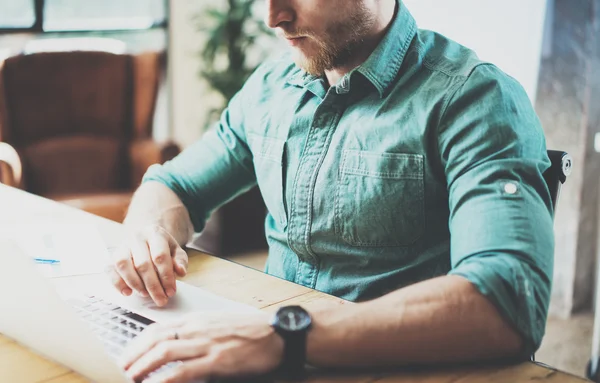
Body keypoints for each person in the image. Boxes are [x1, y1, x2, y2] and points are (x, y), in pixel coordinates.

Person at [109, 0, 554, 381]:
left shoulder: (475, 99)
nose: (273, 16)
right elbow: (174, 184)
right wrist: (148, 233)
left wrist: (288, 335)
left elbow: (508, 300)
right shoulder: (269, 88)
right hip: (266, 356)